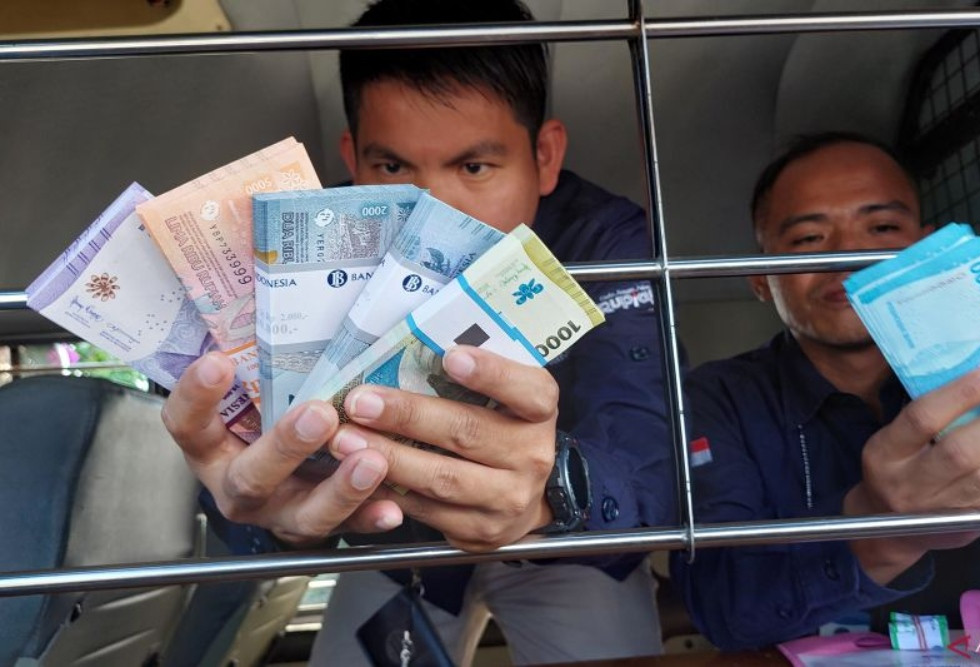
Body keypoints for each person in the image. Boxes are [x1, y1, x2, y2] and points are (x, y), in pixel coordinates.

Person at [161, 1, 676, 664]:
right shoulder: (303, 252)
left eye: (474, 168)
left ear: (544, 157)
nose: (432, 214)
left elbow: (647, 455)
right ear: (352, 160)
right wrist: (270, 516)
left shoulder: (606, 240)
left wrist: (548, 496)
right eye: (393, 169)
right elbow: (247, 475)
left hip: (565, 545)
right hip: (395, 541)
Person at [670, 131, 980, 650]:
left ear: (926, 248)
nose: (849, 256)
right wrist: (885, 531)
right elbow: (722, 609)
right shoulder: (717, 398)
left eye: (882, 227)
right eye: (808, 238)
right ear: (760, 278)